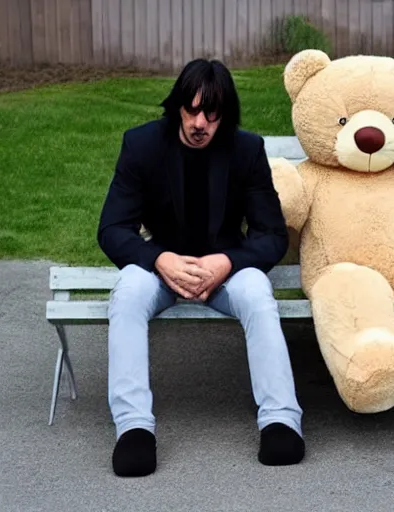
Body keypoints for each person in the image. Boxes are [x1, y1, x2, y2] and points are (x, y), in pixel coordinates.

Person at [97, 58, 305, 477]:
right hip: (161, 265)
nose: (199, 123)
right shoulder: (141, 145)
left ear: (224, 116)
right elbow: (112, 228)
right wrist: (158, 259)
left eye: (211, 115)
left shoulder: (246, 150)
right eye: (191, 110)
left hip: (226, 267)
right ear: (176, 106)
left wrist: (227, 262)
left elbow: (271, 236)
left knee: (257, 294)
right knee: (128, 293)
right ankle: (134, 428)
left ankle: (281, 420)